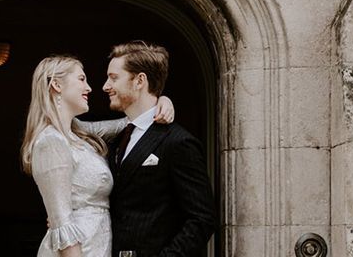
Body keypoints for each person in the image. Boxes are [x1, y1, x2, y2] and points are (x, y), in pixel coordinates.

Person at [21, 54, 175, 257]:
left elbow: (133, 121)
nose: (89, 88)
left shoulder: (79, 134)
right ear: (57, 85)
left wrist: (161, 101)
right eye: (81, 79)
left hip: (97, 245)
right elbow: (62, 222)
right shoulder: (51, 141)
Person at [104, 41, 215, 257]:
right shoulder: (116, 140)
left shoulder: (178, 142)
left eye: (113, 78)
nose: (106, 86)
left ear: (140, 80)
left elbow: (202, 219)